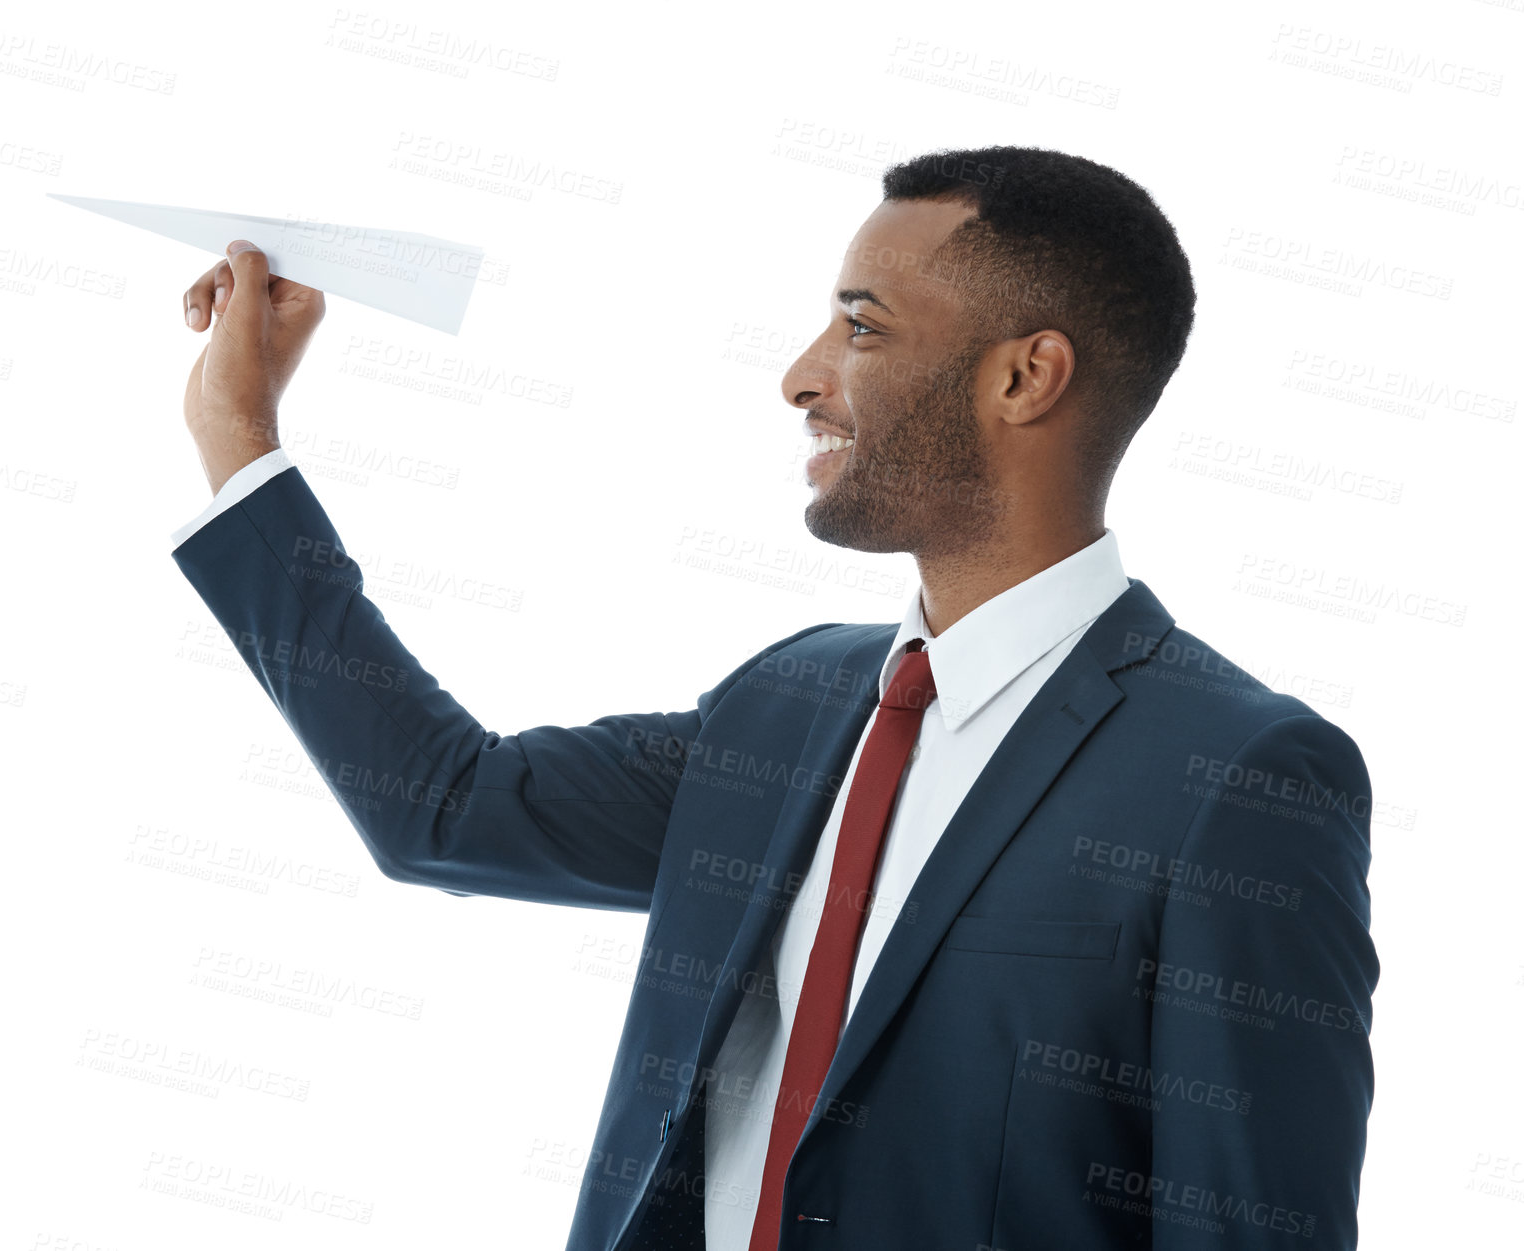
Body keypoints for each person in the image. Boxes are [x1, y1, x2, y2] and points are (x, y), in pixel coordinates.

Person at [172, 145, 1376, 1249]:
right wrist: (241, 439)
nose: (801, 376)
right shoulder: (787, 704)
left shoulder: (1237, 777)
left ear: (1025, 376)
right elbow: (440, 805)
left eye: (860, 325)